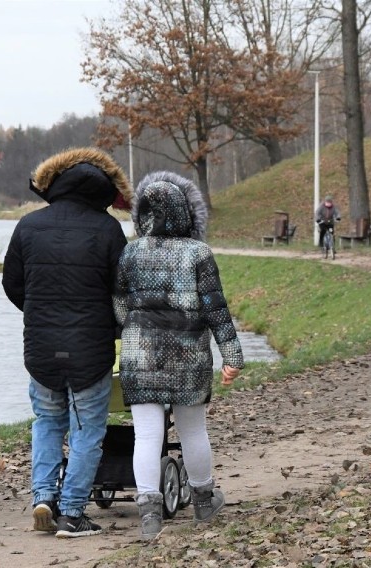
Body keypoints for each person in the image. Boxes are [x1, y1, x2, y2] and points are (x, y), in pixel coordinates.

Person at [2, 147, 132, 538]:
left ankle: (43, 496)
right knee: (87, 429)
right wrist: (113, 326)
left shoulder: (27, 225)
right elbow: (122, 290)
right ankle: (73, 513)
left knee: (46, 422)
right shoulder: (108, 230)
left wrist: (38, 310)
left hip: (40, 345)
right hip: (90, 345)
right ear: (103, 193)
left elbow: (12, 284)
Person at [113, 171, 245, 541]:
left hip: (141, 354)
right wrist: (232, 354)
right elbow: (215, 308)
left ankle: (149, 512)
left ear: (144, 214)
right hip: (188, 355)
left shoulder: (131, 252)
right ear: (186, 211)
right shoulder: (199, 253)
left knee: (146, 435)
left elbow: (120, 303)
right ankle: (203, 499)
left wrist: (134, 328)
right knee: (192, 429)